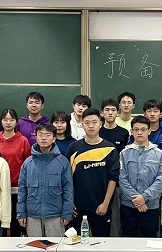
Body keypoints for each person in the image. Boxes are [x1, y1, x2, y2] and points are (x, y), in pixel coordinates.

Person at [66, 108, 120, 237]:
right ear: (82, 124)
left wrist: (105, 204)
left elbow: (113, 178)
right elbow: (67, 178)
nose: (91, 126)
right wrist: (69, 202)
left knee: (101, 243)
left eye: (94, 122)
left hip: (101, 206)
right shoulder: (73, 148)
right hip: (77, 208)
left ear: (100, 123)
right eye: (87, 122)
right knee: (76, 242)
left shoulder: (110, 148)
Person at [17, 123, 73, 237]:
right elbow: (22, 191)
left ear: (54, 138)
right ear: (36, 137)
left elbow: (68, 190)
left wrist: (67, 213)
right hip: (32, 215)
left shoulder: (62, 162)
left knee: (56, 246)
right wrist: (21, 213)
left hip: (55, 215)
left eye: (48, 135)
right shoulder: (28, 163)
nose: (43, 138)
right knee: (34, 247)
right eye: (40, 135)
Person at [119, 116, 162, 237]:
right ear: (131, 131)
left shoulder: (159, 154)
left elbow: (161, 180)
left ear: (149, 131)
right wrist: (137, 201)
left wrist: (144, 197)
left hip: (150, 207)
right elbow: (122, 178)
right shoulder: (124, 154)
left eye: (143, 129)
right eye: (136, 129)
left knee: (149, 242)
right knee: (128, 241)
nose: (139, 132)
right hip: (129, 206)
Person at [0, 108, 32, 237]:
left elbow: (28, 164)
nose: (8, 122)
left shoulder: (23, 140)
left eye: (11, 120)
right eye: (5, 119)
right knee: (0, 222)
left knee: (16, 223)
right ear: (1, 121)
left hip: (17, 187)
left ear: (16, 122)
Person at [99, 98, 129, 237]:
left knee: (116, 216)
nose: (110, 113)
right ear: (102, 113)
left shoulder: (124, 133)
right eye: (107, 110)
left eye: (113, 110)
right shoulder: (97, 132)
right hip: (99, 180)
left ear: (117, 113)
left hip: (117, 181)